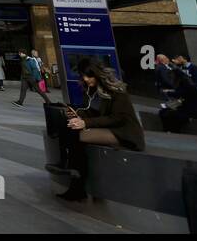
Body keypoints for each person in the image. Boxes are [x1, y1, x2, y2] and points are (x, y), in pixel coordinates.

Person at [51, 58, 145, 202]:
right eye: (83, 76)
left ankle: (74, 179)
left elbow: (118, 118)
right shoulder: (92, 90)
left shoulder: (117, 91)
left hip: (123, 133)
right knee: (70, 126)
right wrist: (78, 115)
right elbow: (93, 112)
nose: (86, 79)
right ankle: (74, 179)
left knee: (78, 135)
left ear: (97, 74)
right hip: (107, 127)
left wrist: (85, 122)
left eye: (89, 76)